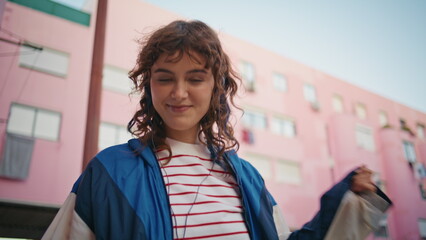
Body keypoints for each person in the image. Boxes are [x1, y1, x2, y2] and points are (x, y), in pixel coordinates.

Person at [42, 20, 391, 240]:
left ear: (216, 88)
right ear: (148, 87)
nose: (179, 93)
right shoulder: (108, 173)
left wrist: (349, 201)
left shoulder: (247, 178)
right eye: (165, 78)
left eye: (195, 78)